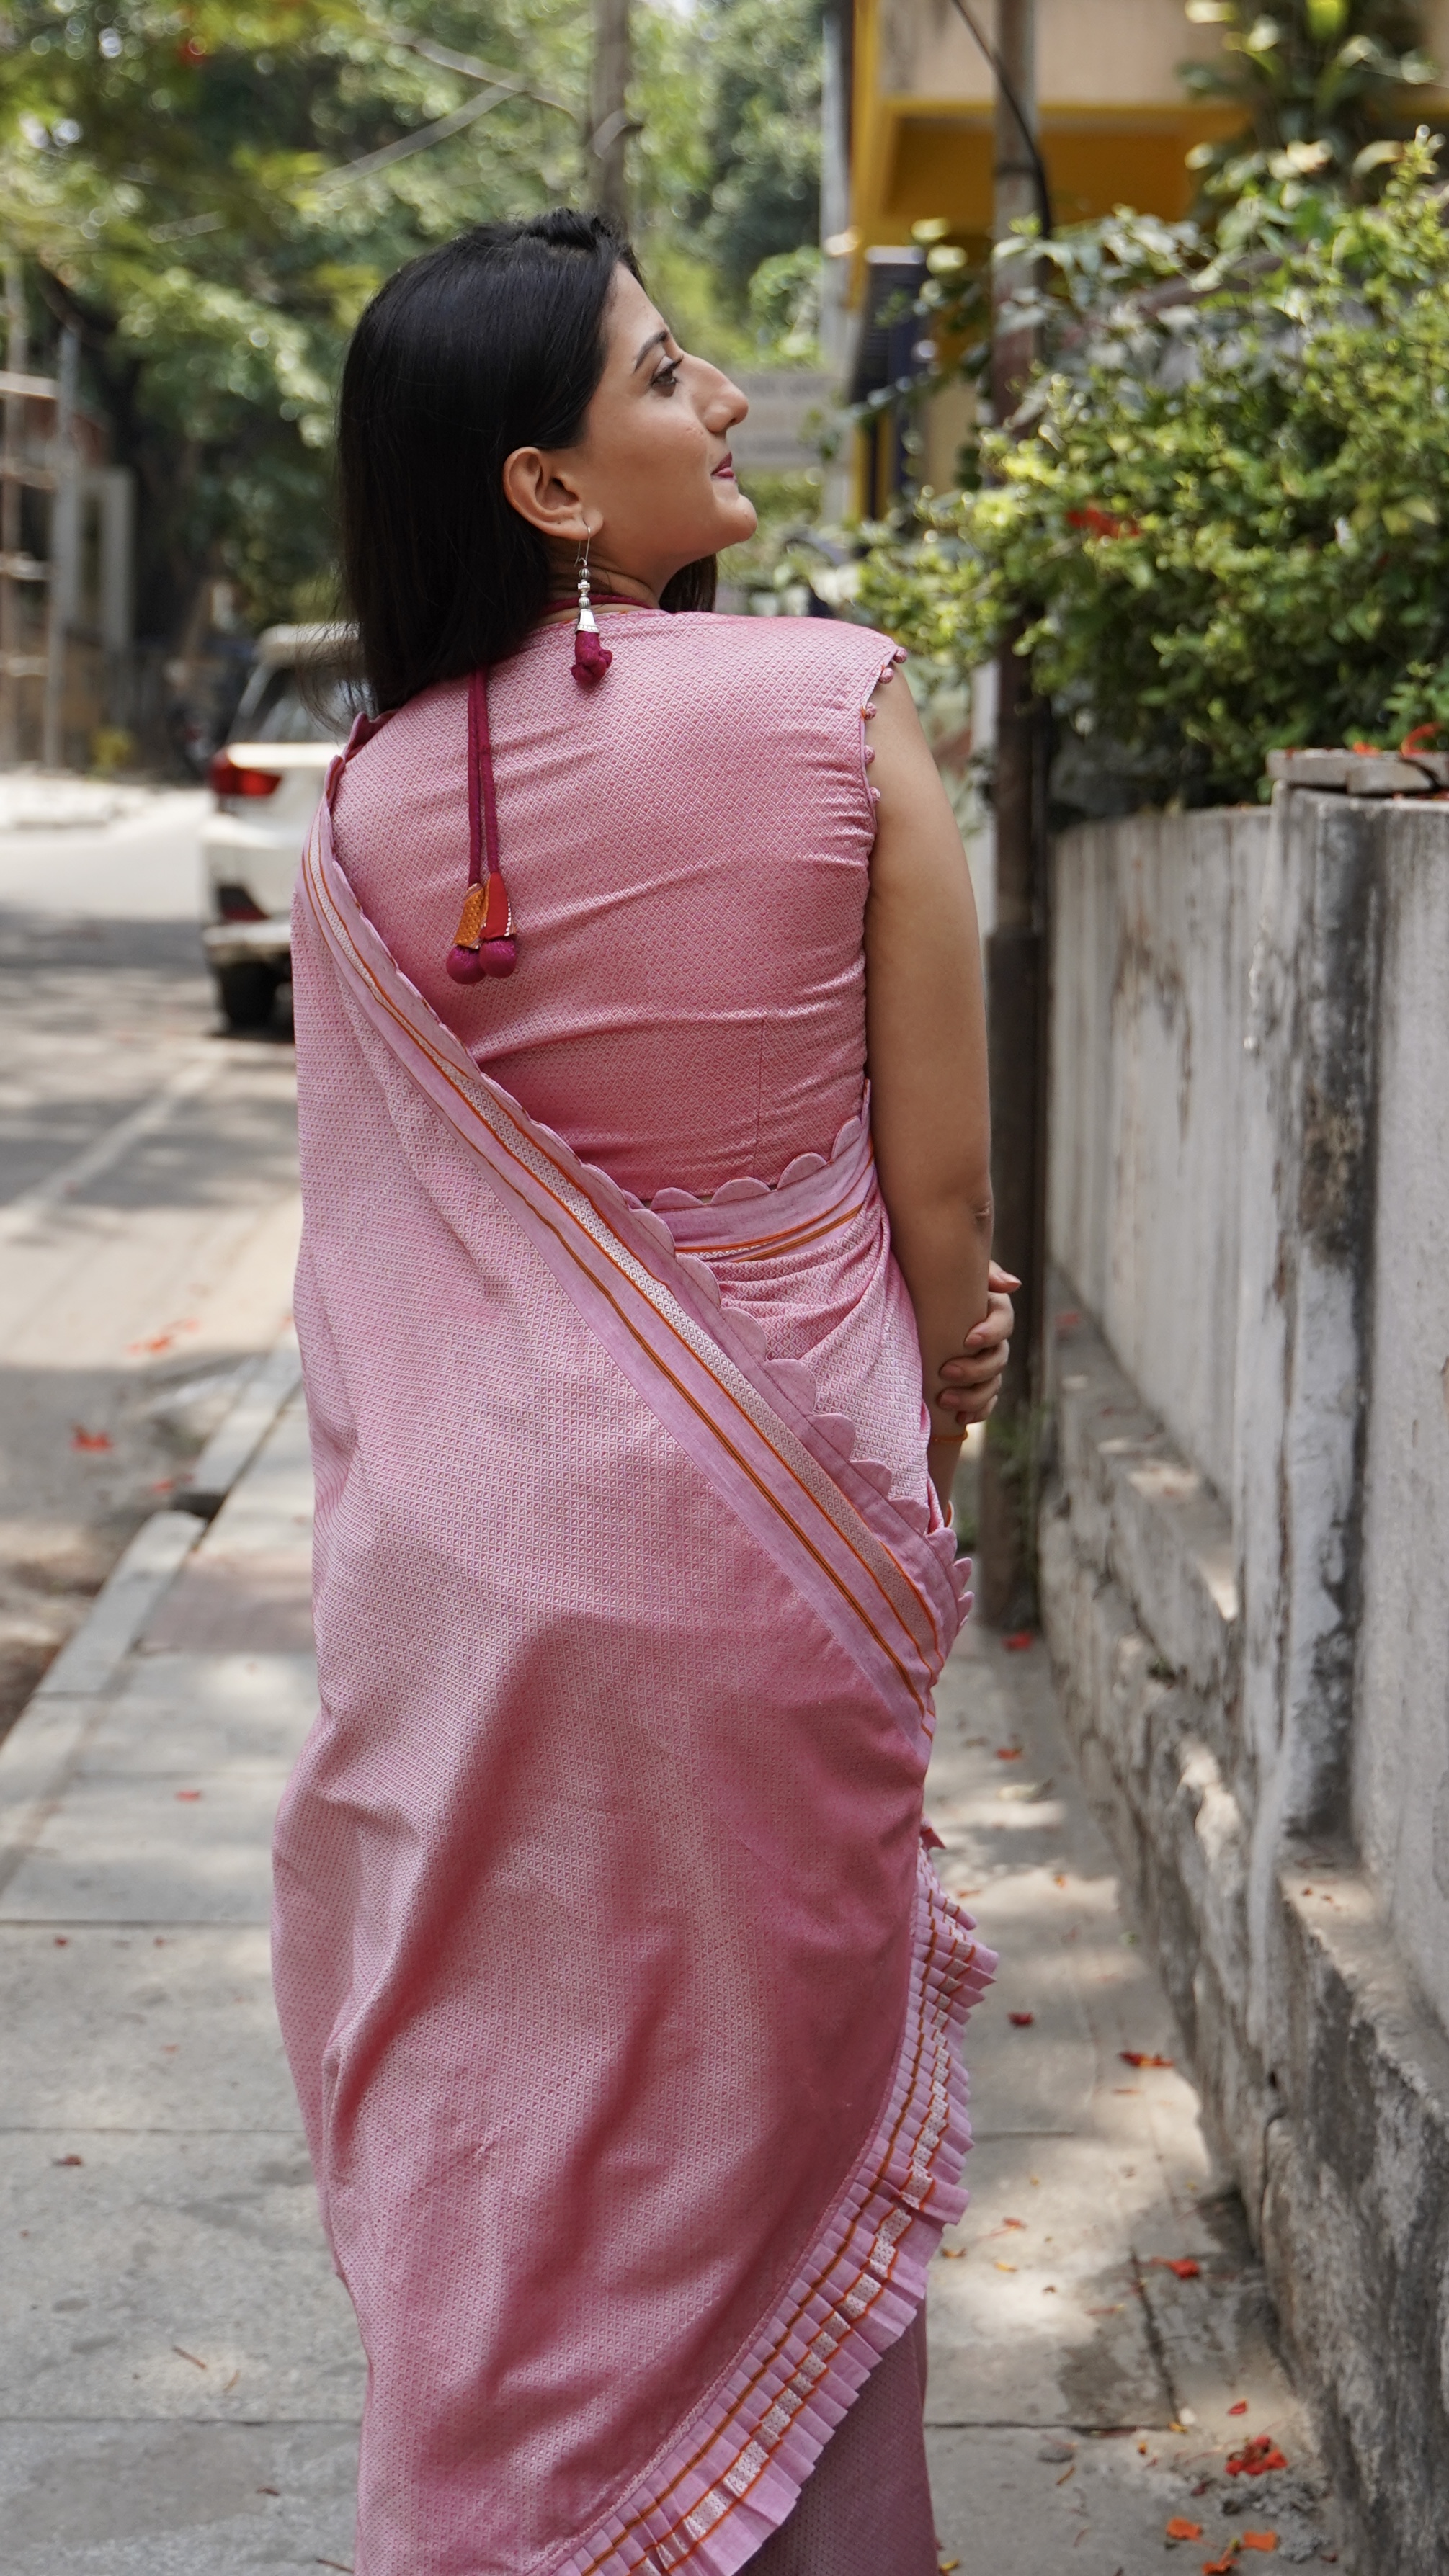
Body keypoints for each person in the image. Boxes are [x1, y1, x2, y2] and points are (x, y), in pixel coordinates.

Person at [272, 209, 1014, 2576]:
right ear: (552, 490)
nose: (729, 404)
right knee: (774, 2150)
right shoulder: (837, 698)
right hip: (767, 1570)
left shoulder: (365, 807)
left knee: (514, 2129)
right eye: (672, 375)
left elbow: (369, 1279)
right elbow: (942, 1176)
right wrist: (951, 1377)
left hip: (471, 1611)